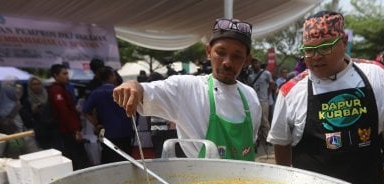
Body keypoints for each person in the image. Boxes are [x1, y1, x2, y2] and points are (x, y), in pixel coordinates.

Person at [267, 11, 384, 184]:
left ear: (344, 42)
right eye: (309, 50)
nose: (316, 56)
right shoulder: (291, 91)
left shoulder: (375, 75)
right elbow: (281, 143)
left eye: (325, 47)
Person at [113, 18, 261, 160]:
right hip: (202, 182)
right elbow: (145, 92)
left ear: (247, 60)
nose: (227, 62)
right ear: (208, 51)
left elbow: (250, 143)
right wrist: (133, 86)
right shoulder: (187, 88)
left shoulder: (250, 96)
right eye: (220, 53)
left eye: (237, 56)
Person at [83, 66, 132, 164]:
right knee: (126, 158)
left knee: (110, 159)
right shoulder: (122, 91)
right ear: (112, 76)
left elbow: (86, 111)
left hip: (107, 132)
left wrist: (96, 124)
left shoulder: (96, 93)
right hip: (126, 130)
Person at [49, 63, 90, 170]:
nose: (67, 76)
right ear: (56, 75)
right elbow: (64, 112)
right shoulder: (56, 90)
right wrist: (75, 130)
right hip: (68, 131)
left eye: (67, 73)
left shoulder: (63, 88)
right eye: (64, 74)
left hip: (70, 129)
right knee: (77, 157)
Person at [247, 58, 275, 146]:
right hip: (255, 101)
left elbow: (271, 83)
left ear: (259, 63)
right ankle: (257, 139)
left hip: (264, 100)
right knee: (255, 119)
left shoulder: (266, 73)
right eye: (253, 63)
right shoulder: (250, 76)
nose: (255, 65)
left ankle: (268, 138)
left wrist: (268, 93)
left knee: (264, 120)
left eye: (256, 63)